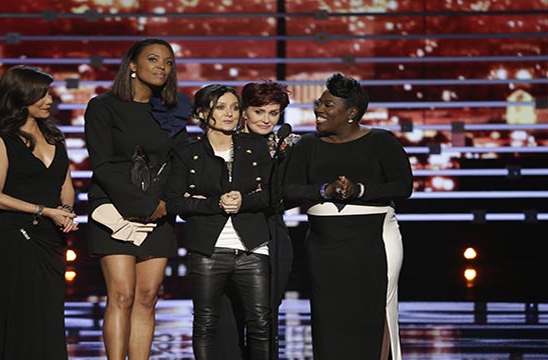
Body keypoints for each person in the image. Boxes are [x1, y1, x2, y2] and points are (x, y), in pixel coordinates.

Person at [283, 73, 413, 360]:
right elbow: (289, 189)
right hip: (324, 244)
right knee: (329, 316)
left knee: (375, 310)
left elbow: (403, 187)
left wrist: (359, 190)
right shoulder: (307, 145)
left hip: (374, 239)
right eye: (319, 103)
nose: (319, 109)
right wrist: (324, 190)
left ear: (351, 113)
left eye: (328, 105)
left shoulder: (381, 141)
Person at [84, 38, 191, 360]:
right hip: (114, 210)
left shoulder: (174, 109)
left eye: (169, 62)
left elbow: (180, 162)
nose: (163, 67)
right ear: (132, 65)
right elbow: (102, 164)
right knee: (122, 294)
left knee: (147, 296)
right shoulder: (103, 106)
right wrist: (143, 206)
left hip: (159, 212)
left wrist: (166, 205)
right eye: (154, 60)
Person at [167, 84, 272, 360]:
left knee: (261, 323)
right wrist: (215, 203)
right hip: (208, 249)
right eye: (221, 107)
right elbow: (176, 202)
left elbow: (273, 195)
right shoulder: (187, 153)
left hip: (252, 246)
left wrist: (244, 201)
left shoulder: (256, 147)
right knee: (205, 323)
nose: (230, 114)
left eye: (235, 107)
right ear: (203, 113)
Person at [0, 65, 78, 360]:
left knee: (49, 312)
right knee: (22, 311)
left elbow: (66, 184)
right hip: (17, 236)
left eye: (49, 93)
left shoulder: (55, 137)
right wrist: (44, 210)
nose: (49, 99)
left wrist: (66, 211)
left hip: (50, 237)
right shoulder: (0, 140)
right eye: (41, 94)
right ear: (21, 96)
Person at [214, 81, 300, 359]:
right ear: (244, 112)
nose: (266, 120)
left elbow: (292, 193)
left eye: (273, 113)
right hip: (226, 236)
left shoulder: (288, 147)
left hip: (272, 233)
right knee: (226, 319)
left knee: (265, 319)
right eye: (259, 111)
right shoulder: (224, 143)